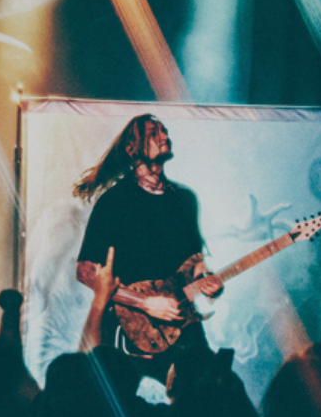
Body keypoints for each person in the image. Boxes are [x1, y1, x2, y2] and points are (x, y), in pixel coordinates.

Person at [72, 114, 223, 391]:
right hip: (130, 328)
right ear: (132, 149)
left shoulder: (185, 199)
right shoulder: (114, 202)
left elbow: (196, 263)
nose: (164, 136)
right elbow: (86, 271)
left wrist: (208, 284)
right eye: (153, 132)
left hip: (183, 322)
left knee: (208, 391)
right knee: (120, 401)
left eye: (164, 131)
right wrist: (144, 302)